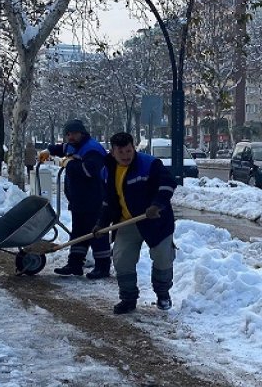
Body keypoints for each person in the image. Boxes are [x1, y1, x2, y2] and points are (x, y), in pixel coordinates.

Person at [99, 131, 178, 314]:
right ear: (113, 152)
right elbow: (108, 201)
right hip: (127, 222)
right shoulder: (107, 171)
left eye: (129, 151)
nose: (126, 156)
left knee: (163, 257)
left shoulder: (149, 164)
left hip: (155, 220)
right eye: (121, 152)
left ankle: (163, 294)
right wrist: (101, 223)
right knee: (122, 259)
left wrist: (157, 204)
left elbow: (168, 184)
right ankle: (128, 298)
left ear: (133, 148)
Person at [44, 119, 111, 279]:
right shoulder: (75, 145)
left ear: (82, 133)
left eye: (74, 133)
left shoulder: (92, 149)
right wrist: (48, 151)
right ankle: (75, 264)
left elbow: (88, 171)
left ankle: (103, 266)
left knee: (97, 232)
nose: (70, 137)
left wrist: (67, 163)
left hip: (94, 198)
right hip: (79, 199)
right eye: (68, 134)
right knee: (78, 232)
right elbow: (63, 148)